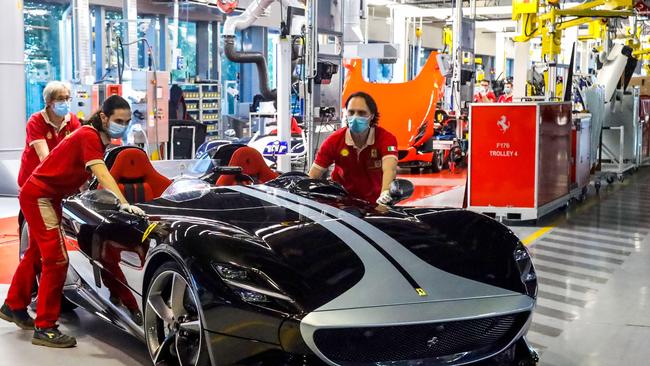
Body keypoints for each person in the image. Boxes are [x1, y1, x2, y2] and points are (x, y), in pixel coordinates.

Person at [0, 95, 145, 348]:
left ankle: (14, 305)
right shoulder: (89, 136)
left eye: (127, 121)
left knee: (36, 253)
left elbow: (81, 172)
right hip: (41, 197)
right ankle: (45, 327)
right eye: (118, 120)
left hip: (47, 196)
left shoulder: (95, 138)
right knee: (57, 260)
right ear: (103, 117)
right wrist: (123, 202)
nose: (123, 124)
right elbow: (101, 172)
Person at [308, 91, 398, 205]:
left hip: (375, 204)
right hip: (341, 204)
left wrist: (385, 193)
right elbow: (313, 174)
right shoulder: (334, 141)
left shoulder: (386, 138)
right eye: (351, 112)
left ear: (372, 116)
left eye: (361, 113)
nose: (355, 117)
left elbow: (390, 169)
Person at [17, 81, 81, 187]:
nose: (65, 102)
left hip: (59, 179)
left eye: (67, 98)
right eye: (60, 99)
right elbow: (44, 157)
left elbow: (77, 151)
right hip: (33, 179)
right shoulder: (36, 121)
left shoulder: (72, 120)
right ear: (48, 102)